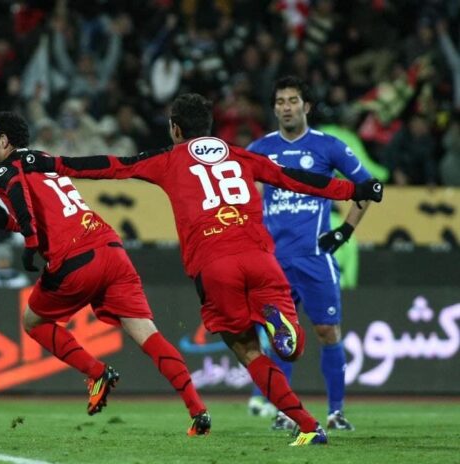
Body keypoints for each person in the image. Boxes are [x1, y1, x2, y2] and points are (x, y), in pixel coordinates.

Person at [21, 93, 383, 446]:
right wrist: (354, 190)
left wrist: (55, 164)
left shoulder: (169, 158)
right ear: (209, 127)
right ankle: (302, 399)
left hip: (215, 264)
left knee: (247, 351)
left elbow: (114, 166)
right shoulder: (241, 155)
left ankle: (305, 421)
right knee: (292, 350)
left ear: (176, 129)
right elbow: (295, 179)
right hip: (260, 257)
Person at [0, 111, 210, 435]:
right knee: (148, 334)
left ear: (4, 141)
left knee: (33, 321)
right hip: (110, 249)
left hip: (76, 260)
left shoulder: (5, 170)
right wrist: (7, 223)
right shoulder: (44, 160)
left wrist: (29, 242)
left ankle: (96, 372)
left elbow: (18, 192)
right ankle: (198, 410)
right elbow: (51, 217)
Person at [246, 76, 374, 431]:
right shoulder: (259, 149)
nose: (286, 107)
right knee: (281, 338)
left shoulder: (327, 146)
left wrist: (344, 231)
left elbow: (367, 188)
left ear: (307, 106)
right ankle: (285, 412)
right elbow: (243, 196)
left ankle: (336, 412)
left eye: (292, 101)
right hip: (274, 263)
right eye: (280, 102)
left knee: (327, 331)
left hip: (315, 258)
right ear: (274, 108)